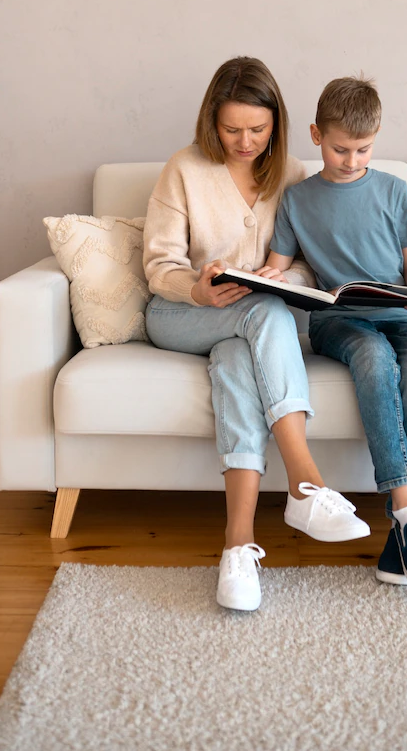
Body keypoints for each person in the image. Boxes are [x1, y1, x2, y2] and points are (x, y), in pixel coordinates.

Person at [143, 57, 370, 612]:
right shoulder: (184, 169)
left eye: (258, 130)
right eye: (231, 130)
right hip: (181, 314)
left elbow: (312, 270)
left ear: (277, 124)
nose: (245, 142)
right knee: (262, 318)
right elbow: (158, 266)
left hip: (249, 328)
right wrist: (197, 289)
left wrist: (281, 275)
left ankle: (238, 548)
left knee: (237, 361)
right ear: (210, 123)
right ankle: (305, 482)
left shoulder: (294, 176)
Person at [264, 76, 407, 592]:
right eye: (340, 148)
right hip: (338, 321)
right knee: (373, 358)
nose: (351, 160)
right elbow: (278, 267)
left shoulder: (392, 190)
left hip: (396, 312)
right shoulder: (297, 200)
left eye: (363, 149)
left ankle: (405, 524)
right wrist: (270, 278)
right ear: (315, 135)